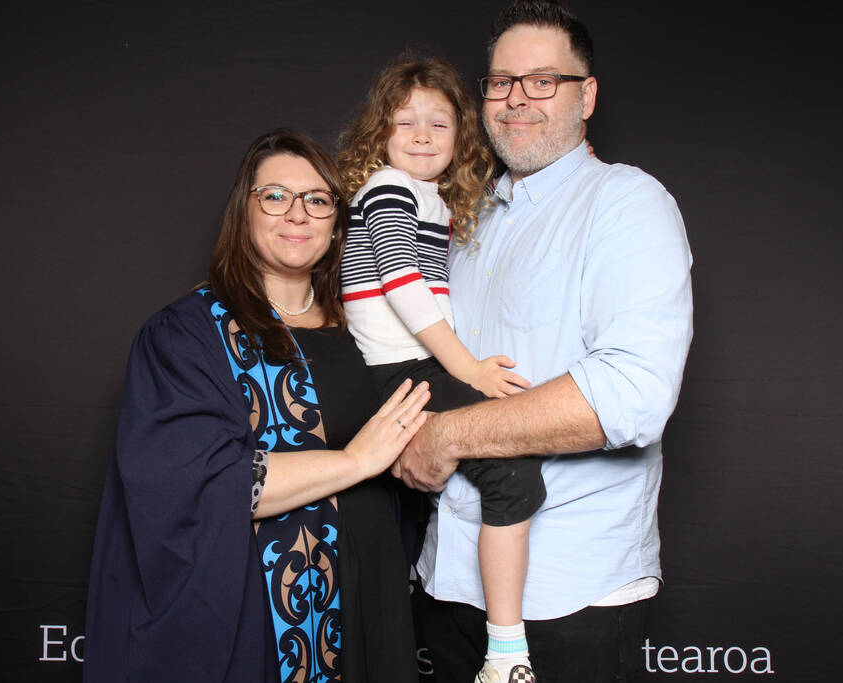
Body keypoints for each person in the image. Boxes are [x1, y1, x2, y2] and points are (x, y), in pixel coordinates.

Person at [392, 2, 694, 682]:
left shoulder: (625, 203)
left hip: (571, 595)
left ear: (586, 95)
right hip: (446, 580)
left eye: (542, 81)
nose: (516, 99)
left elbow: (631, 396)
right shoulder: (466, 222)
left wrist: (445, 436)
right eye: (501, 82)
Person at [84, 129, 430, 683]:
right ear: (243, 211)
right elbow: (202, 484)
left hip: (370, 606)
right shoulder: (187, 336)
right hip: (258, 622)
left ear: (337, 220)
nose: (298, 214)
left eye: (318, 199)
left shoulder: (367, 334)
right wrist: (356, 461)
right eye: (275, 195)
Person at [337, 54, 543, 683]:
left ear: (462, 137)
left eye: (439, 124)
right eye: (406, 123)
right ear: (381, 135)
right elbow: (403, 286)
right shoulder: (389, 190)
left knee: (465, 482)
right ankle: (506, 655)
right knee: (511, 474)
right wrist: (471, 370)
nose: (423, 136)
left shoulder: (426, 198)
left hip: (412, 364)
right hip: (403, 369)